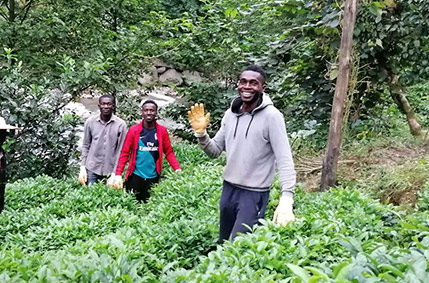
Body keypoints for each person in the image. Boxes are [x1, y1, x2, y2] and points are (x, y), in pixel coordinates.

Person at [188, 65, 296, 242]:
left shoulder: (272, 116)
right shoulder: (230, 114)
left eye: (254, 83)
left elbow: (284, 159)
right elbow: (214, 151)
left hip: (254, 194)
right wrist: (201, 134)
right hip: (228, 190)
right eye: (243, 82)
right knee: (223, 243)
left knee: (238, 246)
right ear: (238, 84)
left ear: (262, 88)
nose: (247, 86)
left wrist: (287, 198)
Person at [109, 99, 181, 202]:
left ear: (156, 112)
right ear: (142, 112)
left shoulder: (162, 131)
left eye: (152, 110)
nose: (149, 113)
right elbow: (125, 153)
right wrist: (118, 174)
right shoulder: (134, 130)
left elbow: (169, 152)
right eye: (146, 110)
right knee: (132, 205)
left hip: (153, 177)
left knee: (150, 205)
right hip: (135, 176)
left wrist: (177, 169)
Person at [78, 94, 128, 186]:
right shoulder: (90, 122)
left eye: (109, 104)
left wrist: (115, 173)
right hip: (92, 168)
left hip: (110, 170)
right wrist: (82, 167)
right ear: (99, 106)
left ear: (113, 106)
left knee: (109, 198)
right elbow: (86, 145)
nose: (106, 107)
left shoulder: (121, 125)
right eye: (103, 104)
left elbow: (121, 151)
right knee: (90, 197)